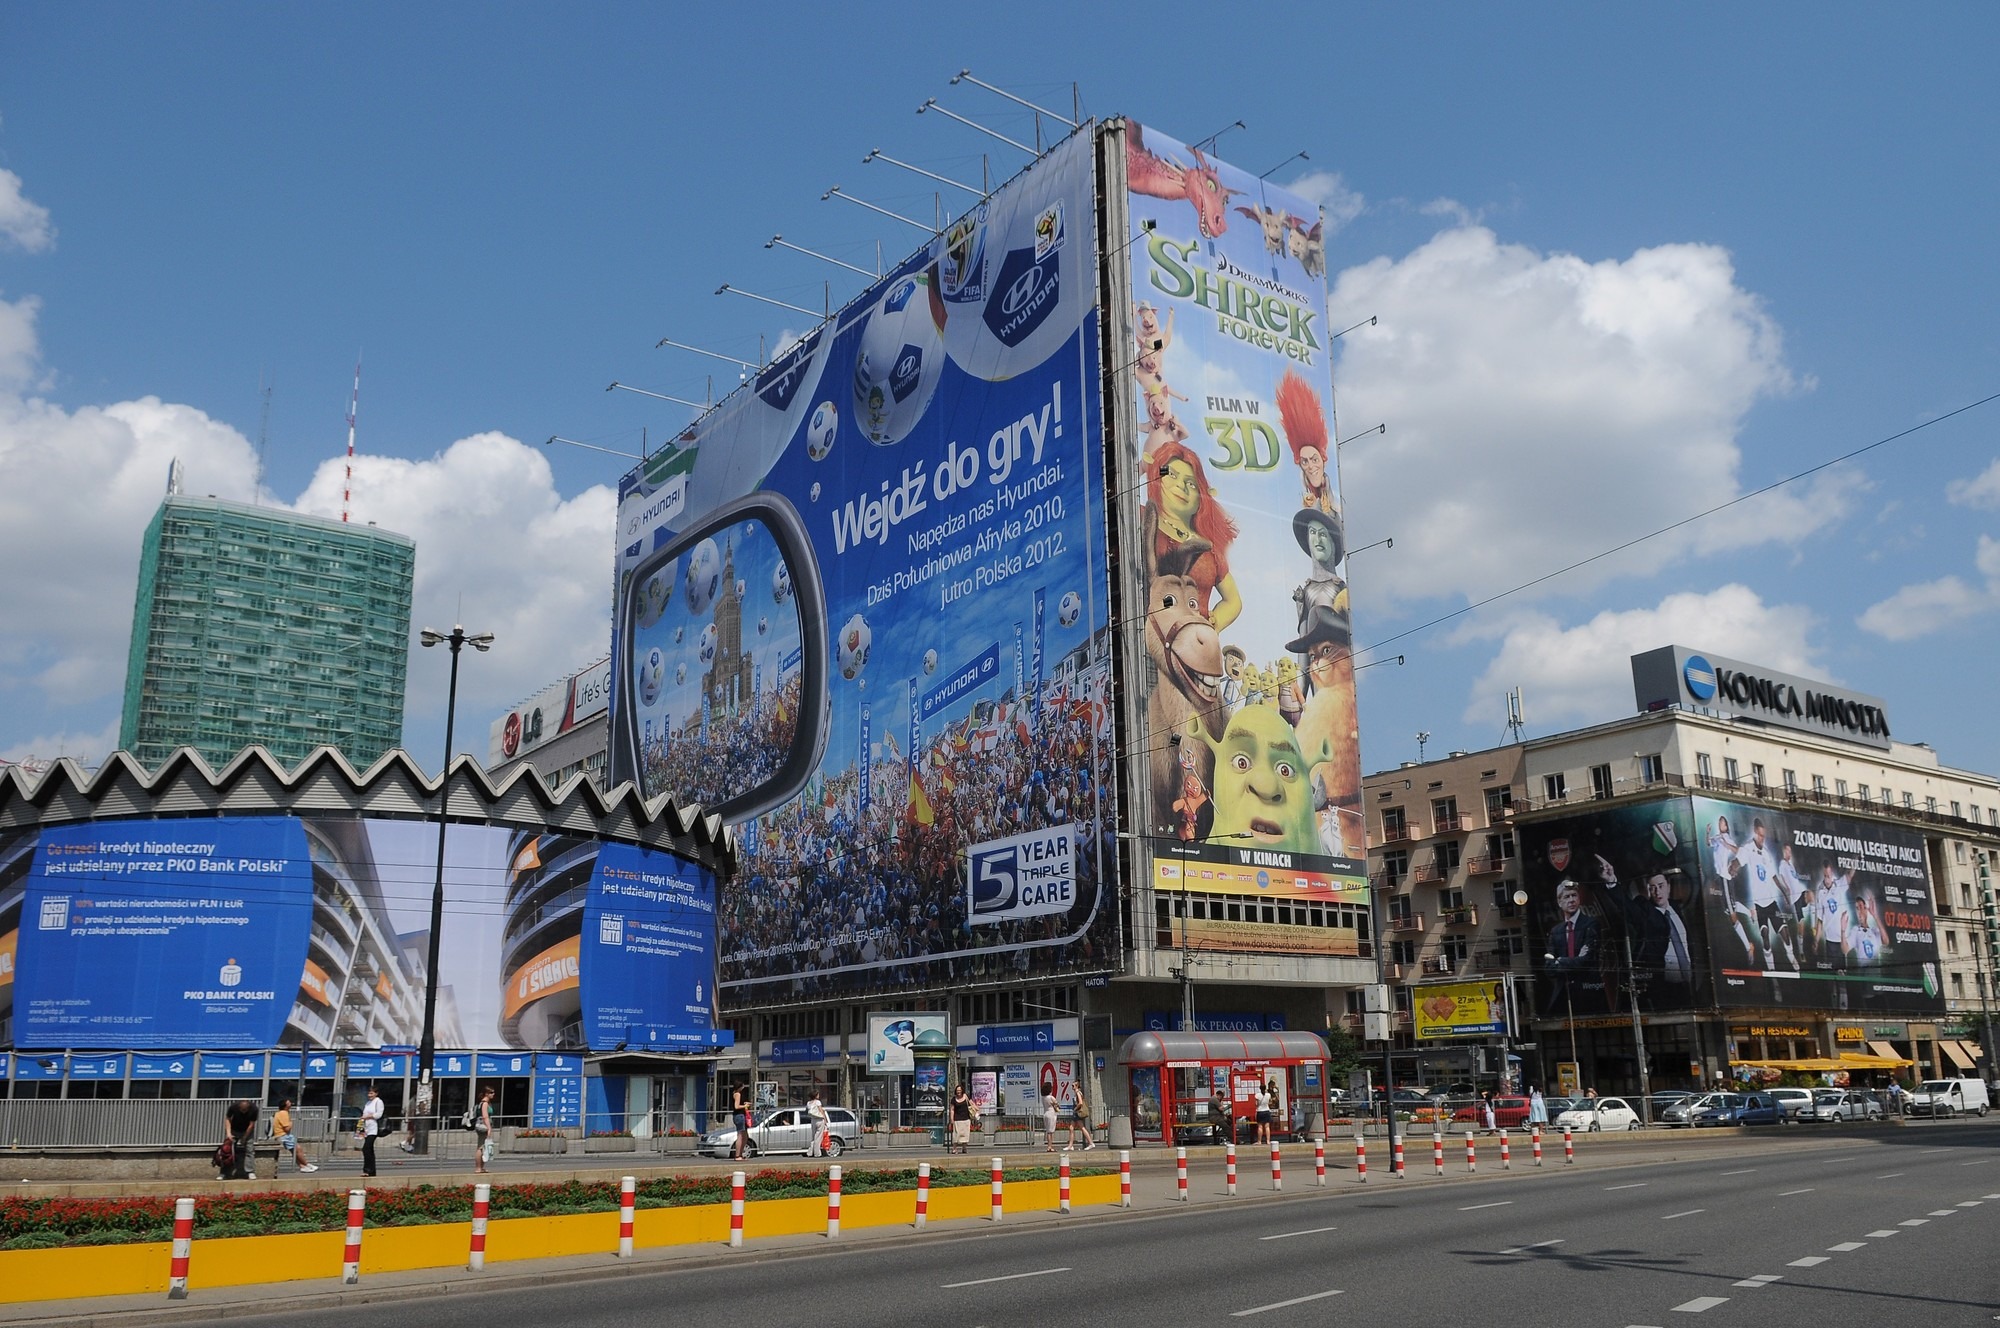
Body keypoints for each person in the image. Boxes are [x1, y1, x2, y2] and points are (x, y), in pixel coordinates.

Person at [1543, 878, 1602, 1014]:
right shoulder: (1556, 931)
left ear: (1579, 899)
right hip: (1563, 994)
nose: (1571, 900)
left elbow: (1588, 961)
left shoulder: (1591, 924)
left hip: (1589, 991)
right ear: (1559, 902)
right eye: (1566, 896)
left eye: (1574, 895)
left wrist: (1560, 961)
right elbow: (1548, 968)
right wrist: (1575, 960)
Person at [271, 1098, 318, 1174]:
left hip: (280, 1135)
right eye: (288, 1102)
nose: (291, 1103)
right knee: (298, 1149)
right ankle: (307, 1164)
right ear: (285, 1105)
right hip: (284, 1135)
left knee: (294, 1151)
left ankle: (302, 1166)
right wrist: (291, 1123)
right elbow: (287, 1128)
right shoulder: (284, 1113)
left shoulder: (279, 1113)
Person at [220, 1098, 259, 1180]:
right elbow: (227, 1119)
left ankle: (250, 1171)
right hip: (234, 1129)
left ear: (248, 1108)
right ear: (239, 1107)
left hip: (247, 1130)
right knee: (227, 1151)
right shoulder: (233, 1107)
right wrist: (228, 1133)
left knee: (249, 1150)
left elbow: (251, 1124)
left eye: (245, 1110)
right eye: (242, 1110)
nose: (243, 1112)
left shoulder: (254, 1109)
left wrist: (244, 1137)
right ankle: (224, 1173)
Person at [358, 1085, 384, 1177]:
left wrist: (368, 1116)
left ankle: (367, 1170)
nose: (369, 1095)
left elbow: (378, 1114)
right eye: (369, 1093)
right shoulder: (368, 1103)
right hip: (366, 1127)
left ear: (376, 1094)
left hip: (373, 1128)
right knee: (369, 1150)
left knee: (366, 1149)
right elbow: (364, 1113)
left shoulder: (378, 1102)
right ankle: (371, 1171)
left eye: (371, 1093)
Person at [472, 1085, 495, 1175]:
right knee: (481, 1146)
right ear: (486, 1094)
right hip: (483, 1127)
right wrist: (489, 1128)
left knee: (483, 1147)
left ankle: (481, 1167)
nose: (493, 1094)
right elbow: (485, 1117)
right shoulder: (484, 1103)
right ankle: (478, 1168)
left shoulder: (485, 1103)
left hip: (482, 1126)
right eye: (491, 1093)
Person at [1066, 1082, 1093, 1152]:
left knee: (1079, 1128)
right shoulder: (1077, 1093)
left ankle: (1090, 1143)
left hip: (1077, 1112)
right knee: (1072, 1128)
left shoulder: (1078, 1093)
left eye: (1073, 1085)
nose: (1072, 1087)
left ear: (1077, 1086)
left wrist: (1075, 1109)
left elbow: (1080, 1103)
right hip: (1076, 1113)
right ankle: (1071, 1145)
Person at [949, 1084, 974, 1155]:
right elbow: (952, 1110)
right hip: (957, 1119)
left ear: (962, 1090)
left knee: (965, 1134)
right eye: (957, 1090)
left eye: (959, 1090)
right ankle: (954, 1149)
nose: (958, 1092)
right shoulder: (954, 1099)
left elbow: (971, 1104)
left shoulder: (966, 1097)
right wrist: (951, 1119)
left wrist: (977, 1109)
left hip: (966, 1118)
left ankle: (964, 1148)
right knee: (956, 1135)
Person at [729, 1082, 751, 1161]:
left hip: (741, 1115)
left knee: (745, 1135)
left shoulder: (735, 1093)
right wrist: (744, 1106)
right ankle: (738, 1155)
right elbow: (736, 1106)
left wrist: (745, 1104)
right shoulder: (737, 1094)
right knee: (740, 1135)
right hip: (739, 1115)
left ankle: (740, 1154)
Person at [805, 1091, 829, 1158]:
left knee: (813, 1137)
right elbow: (821, 1110)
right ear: (815, 1095)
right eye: (818, 1094)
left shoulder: (808, 1103)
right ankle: (817, 1153)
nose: (819, 1095)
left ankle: (810, 1152)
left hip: (813, 1120)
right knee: (818, 1137)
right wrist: (825, 1119)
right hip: (819, 1119)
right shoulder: (818, 1102)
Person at [1042, 1088, 1061, 1152]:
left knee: (1048, 1131)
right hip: (1051, 1114)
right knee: (1051, 1131)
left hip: (1045, 1113)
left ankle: (1049, 1146)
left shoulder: (1043, 1097)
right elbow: (1057, 1104)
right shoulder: (1051, 1097)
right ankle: (1050, 1146)